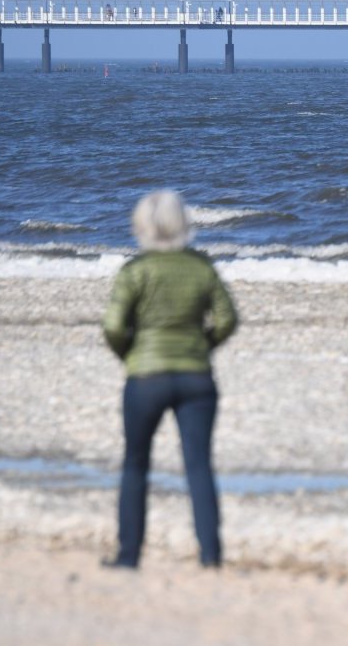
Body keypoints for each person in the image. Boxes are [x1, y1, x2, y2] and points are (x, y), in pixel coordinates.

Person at [101, 190, 238, 569]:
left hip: (145, 377)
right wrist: (203, 347)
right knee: (198, 465)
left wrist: (129, 354)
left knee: (135, 464)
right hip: (196, 376)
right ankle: (211, 558)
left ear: (141, 226)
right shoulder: (201, 267)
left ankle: (129, 557)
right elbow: (227, 319)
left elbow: (113, 326)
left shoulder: (134, 271)